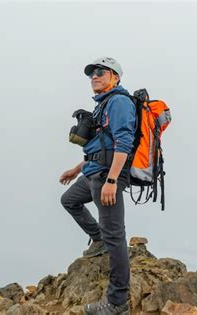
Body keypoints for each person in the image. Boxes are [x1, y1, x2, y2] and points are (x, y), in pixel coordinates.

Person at [59, 57, 136, 315]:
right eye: (92, 73)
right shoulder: (102, 104)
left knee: (116, 236)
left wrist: (112, 180)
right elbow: (99, 146)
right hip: (93, 171)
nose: (95, 76)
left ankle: (117, 302)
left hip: (106, 176)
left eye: (101, 72)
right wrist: (76, 169)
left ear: (115, 77)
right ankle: (98, 238)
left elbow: (123, 143)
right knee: (69, 200)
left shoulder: (119, 102)